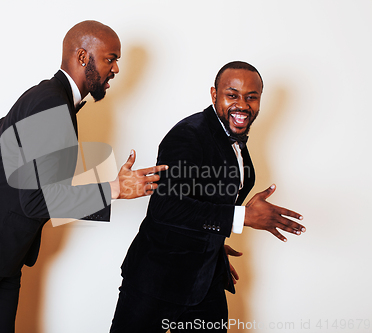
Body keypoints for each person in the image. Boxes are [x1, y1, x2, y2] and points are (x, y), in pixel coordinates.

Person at [0, 20, 167, 333]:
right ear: (84, 57)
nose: (116, 69)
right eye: (111, 58)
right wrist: (114, 188)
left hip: (2, 256)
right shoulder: (50, 102)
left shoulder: (50, 98)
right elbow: (37, 200)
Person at [109, 61, 306, 332]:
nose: (242, 105)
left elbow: (205, 200)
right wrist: (243, 217)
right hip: (156, 280)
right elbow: (167, 207)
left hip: (204, 279)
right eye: (232, 95)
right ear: (214, 95)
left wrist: (211, 246)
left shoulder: (234, 138)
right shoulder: (188, 135)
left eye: (252, 97)